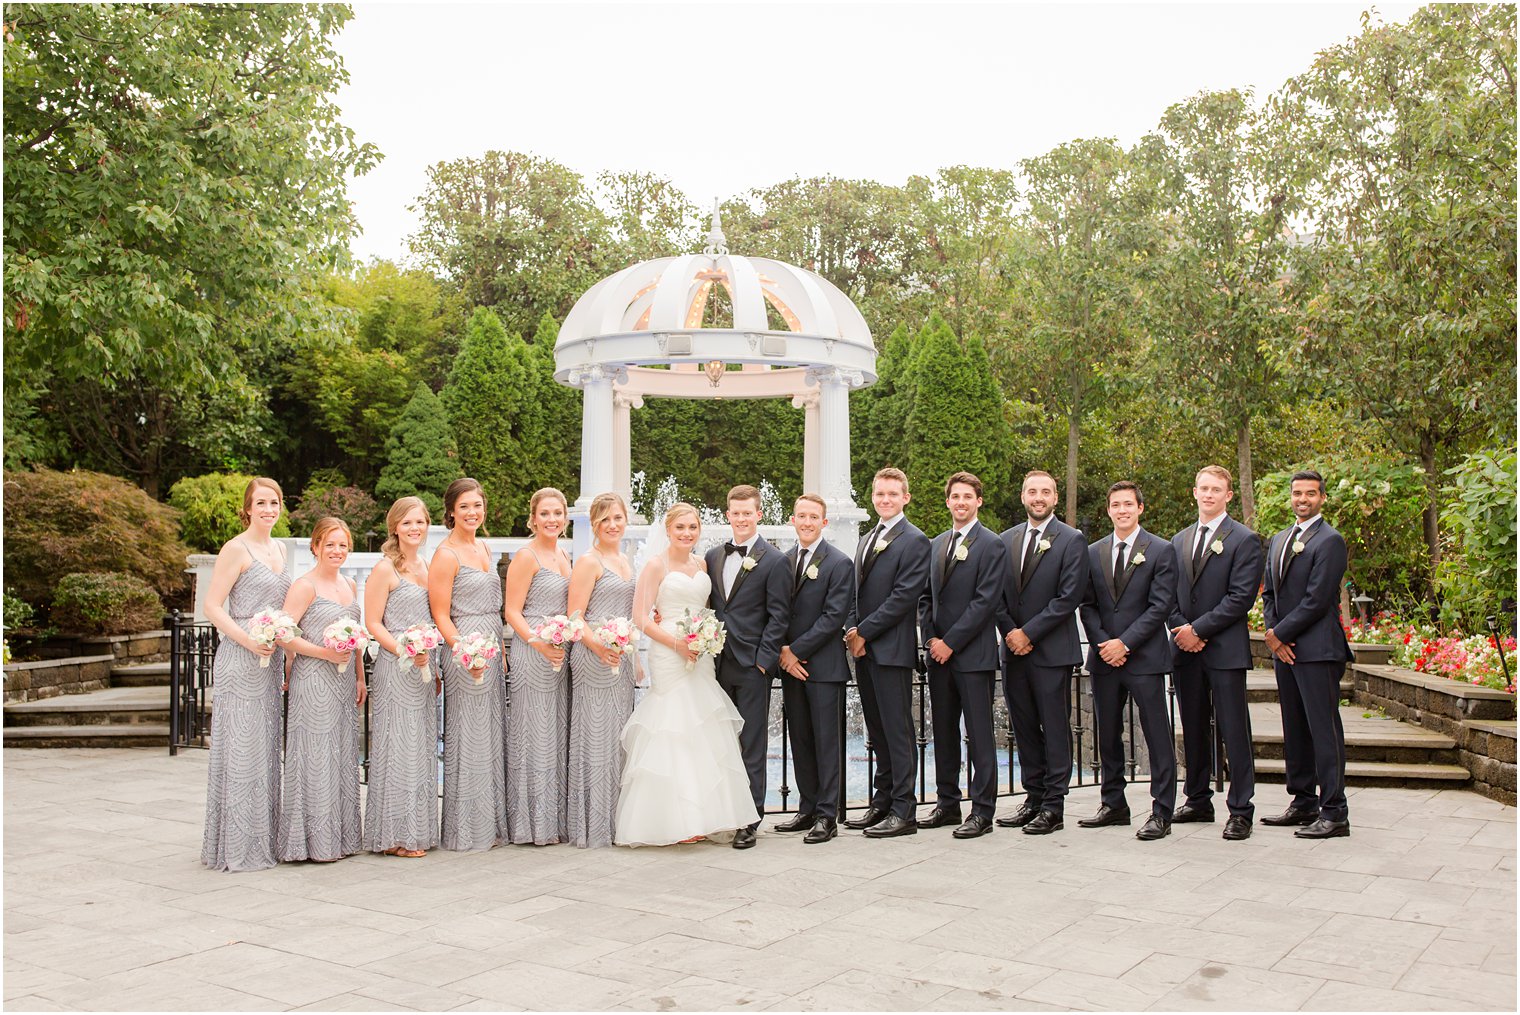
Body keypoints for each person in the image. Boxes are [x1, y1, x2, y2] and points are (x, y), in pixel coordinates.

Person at [615, 503, 760, 846]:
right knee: (674, 726)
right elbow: (641, 618)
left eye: (692, 527)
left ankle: (706, 816)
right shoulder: (655, 565)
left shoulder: (702, 563)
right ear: (668, 530)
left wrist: (705, 637)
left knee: (703, 726)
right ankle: (675, 820)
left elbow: (707, 609)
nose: (687, 533)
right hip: (670, 652)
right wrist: (677, 643)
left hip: (701, 653)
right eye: (680, 527)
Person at [1077, 482, 1179, 841]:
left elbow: (1160, 606)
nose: (1122, 510)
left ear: (1140, 508)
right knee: (1108, 734)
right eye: (1115, 505)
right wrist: (1105, 642)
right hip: (1105, 658)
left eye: (1128, 504)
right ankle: (1114, 804)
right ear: (1108, 510)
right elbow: (1086, 604)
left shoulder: (1162, 550)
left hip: (1145, 657)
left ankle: (1161, 811)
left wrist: (1126, 643)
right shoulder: (1092, 553)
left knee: (1156, 736)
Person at [1168, 466, 1264, 841]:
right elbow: (1169, 595)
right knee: (1192, 727)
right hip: (1185, 651)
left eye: (1216, 489)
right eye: (1203, 488)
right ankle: (1197, 799)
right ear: (1194, 492)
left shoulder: (1243, 539)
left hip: (1224, 651)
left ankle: (1241, 810)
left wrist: (1199, 630)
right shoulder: (1178, 540)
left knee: (1233, 730)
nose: (1208, 495)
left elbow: (1241, 598)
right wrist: (1181, 629)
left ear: (1228, 495)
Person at [201, 477, 291, 872]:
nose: (268, 509)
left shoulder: (280, 549)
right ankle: (235, 845)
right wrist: (246, 639)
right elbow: (212, 606)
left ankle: (261, 840)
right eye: (261, 503)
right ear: (248, 508)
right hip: (240, 658)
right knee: (240, 750)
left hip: (268, 662)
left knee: (265, 749)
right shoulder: (235, 549)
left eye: (274, 503)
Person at [918, 472, 1012, 840]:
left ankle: (983, 810)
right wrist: (930, 639)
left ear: (978, 502)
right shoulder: (937, 543)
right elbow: (926, 598)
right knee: (943, 732)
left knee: (978, 734)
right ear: (948, 502)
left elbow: (986, 602)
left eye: (967, 497)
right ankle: (946, 802)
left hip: (972, 656)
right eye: (955, 496)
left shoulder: (991, 545)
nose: (960, 502)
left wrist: (951, 642)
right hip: (938, 656)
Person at [1261, 469, 1354, 839]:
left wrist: (1278, 635)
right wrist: (1274, 635)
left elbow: (1317, 600)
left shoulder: (1330, 541)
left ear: (1322, 498)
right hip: (1285, 650)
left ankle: (1335, 812)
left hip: (1317, 650)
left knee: (1323, 731)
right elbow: (1270, 593)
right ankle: (1302, 803)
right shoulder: (1280, 538)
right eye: (1297, 493)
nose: (1303, 499)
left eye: (1310, 494)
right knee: (1295, 729)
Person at [995, 470, 1088, 835]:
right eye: (1032, 491)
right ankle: (1033, 797)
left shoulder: (1071, 540)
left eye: (1045, 492)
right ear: (1022, 496)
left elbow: (1068, 598)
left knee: (1054, 727)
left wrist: (1028, 633)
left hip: (1051, 651)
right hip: (1014, 652)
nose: (1038, 497)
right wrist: (1010, 633)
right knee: (1024, 729)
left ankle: (1054, 805)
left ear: (1054, 497)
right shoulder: (1006, 540)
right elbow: (996, 595)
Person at [845, 467, 932, 839]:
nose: (885, 499)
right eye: (880, 494)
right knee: (877, 732)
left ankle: (904, 810)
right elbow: (854, 591)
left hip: (891, 651)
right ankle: (881, 803)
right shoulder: (866, 539)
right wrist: (851, 629)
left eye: (892, 494)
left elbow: (903, 598)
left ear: (905, 498)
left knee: (897, 731)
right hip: (863, 650)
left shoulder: (915, 540)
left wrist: (864, 632)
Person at [705, 484, 791, 849]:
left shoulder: (774, 559)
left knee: (751, 744)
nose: (741, 518)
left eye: (747, 513)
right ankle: (721, 810)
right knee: (719, 742)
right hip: (714, 664)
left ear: (759, 514)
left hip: (751, 665)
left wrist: (763, 663)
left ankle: (750, 818)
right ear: (728, 514)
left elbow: (779, 616)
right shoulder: (711, 556)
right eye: (735, 513)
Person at [277, 517, 365, 862]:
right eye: (330, 544)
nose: (337, 551)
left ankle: (338, 838)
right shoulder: (304, 586)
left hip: (344, 682)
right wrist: (324, 653)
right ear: (315, 547)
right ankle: (309, 842)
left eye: (343, 545)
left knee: (341, 754)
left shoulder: (349, 586)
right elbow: (284, 633)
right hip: (313, 678)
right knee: (314, 756)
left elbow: (356, 636)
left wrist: (359, 676)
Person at [430, 478, 509, 851]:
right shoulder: (446, 555)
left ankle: (488, 823)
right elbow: (441, 615)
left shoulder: (484, 547)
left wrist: (499, 653)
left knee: (490, 733)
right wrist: (467, 653)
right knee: (468, 734)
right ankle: (465, 829)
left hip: (491, 644)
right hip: (465, 649)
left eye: (477, 505)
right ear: (451, 511)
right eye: (464, 507)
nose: (472, 512)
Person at [773, 494, 856, 845]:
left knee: (826, 742)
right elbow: (775, 612)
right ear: (793, 520)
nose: (807, 522)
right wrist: (783, 655)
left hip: (822, 667)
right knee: (802, 741)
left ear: (824, 522)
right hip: (790, 669)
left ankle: (827, 815)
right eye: (801, 516)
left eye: (813, 517)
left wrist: (795, 651)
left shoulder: (838, 563)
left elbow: (833, 617)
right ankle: (806, 807)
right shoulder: (784, 561)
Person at [362, 496, 440, 858]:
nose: (415, 529)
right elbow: (373, 622)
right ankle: (394, 835)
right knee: (397, 748)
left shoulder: (428, 567)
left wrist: (431, 662)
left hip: (425, 668)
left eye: (420, 522)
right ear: (395, 527)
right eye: (408, 523)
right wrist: (404, 650)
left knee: (420, 748)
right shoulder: (384, 569)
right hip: (397, 666)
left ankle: (417, 830)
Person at [565, 492, 637, 849]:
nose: (612, 525)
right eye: (605, 519)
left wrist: (630, 656)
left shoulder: (625, 560)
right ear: (594, 524)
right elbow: (575, 616)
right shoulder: (589, 562)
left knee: (618, 739)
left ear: (626, 521)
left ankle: (615, 820)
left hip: (620, 659)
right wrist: (598, 646)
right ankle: (592, 823)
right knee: (595, 737)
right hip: (593, 657)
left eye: (617, 518)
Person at [504, 487, 573, 845]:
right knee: (533, 733)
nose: (551, 520)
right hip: (533, 652)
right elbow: (511, 611)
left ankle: (553, 820)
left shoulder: (564, 555)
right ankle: (529, 823)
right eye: (544, 514)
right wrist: (538, 643)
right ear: (533, 519)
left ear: (565, 518)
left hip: (558, 655)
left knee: (554, 733)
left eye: (557, 513)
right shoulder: (526, 556)